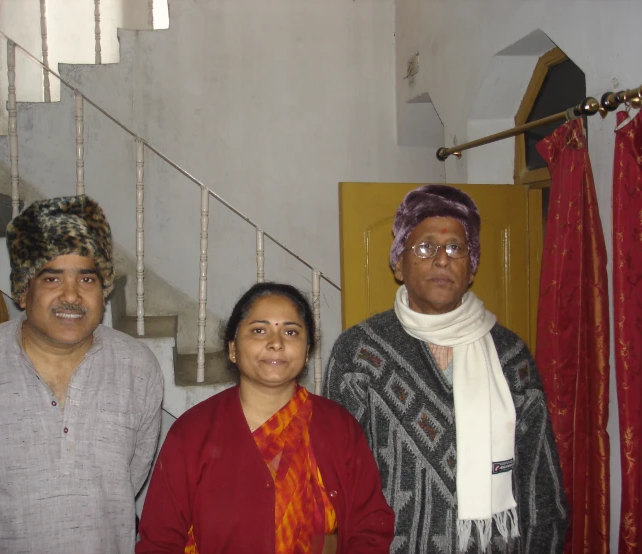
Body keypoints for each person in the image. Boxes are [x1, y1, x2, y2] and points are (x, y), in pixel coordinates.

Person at [0, 195, 164, 553]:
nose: (71, 296)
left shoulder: (138, 367)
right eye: (52, 278)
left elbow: (133, 471)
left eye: (87, 278)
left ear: (103, 290)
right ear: (24, 291)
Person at [324, 185, 568, 553]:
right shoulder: (359, 353)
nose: (442, 260)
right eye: (424, 247)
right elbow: (337, 481)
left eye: (456, 248)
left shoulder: (509, 354)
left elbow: (541, 481)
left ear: (471, 269)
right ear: (397, 263)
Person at [136, 282, 394, 554]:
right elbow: (160, 541)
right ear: (233, 349)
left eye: (291, 332)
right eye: (259, 330)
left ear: (306, 352)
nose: (276, 343)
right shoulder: (192, 433)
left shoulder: (339, 428)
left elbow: (370, 528)